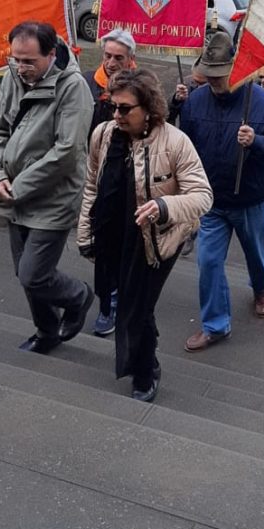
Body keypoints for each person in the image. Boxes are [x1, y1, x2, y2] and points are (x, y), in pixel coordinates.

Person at [77, 70, 212, 401]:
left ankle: (144, 370)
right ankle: (142, 360)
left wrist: (163, 206)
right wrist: (85, 233)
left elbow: (203, 196)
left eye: (125, 109)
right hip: (113, 232)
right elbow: (92, 185)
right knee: (125, 301)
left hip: (156, 240)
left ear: (149, 109)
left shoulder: (175, 143)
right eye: (113, 106)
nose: (116, 115)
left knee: (137, 308)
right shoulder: (103, 135)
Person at [0, 21, 94, 354]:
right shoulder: (12, 78)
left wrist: (18, 185)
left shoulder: (73, 88)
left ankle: (79, 296)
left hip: (53, 198)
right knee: (24, 272)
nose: (21, 67)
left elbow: (67, 152)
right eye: (16, 59)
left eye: (29, 61)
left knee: (33, 275)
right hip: (13, 194)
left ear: (51, 54)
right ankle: (47, 331)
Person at [179, 30, 264, 349]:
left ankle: (261, 287)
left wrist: (257, 142)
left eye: (219, 77)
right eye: (209, 76)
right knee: (208, 261)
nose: (213, 82)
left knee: (256, 254)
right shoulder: (196, 101)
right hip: (212, 199)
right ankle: (215, 324)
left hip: (252, 199)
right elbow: (185, 147)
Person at [83, 28, 138, 336]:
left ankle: (123, 300)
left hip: (132, 178)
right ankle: (107, 304)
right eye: (108, 56)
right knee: (102, 245)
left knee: (127, 246)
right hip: (99, 177)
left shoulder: (140, 87)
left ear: (131, 59)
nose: (112, 62)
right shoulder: (89, 83)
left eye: (119, 57)